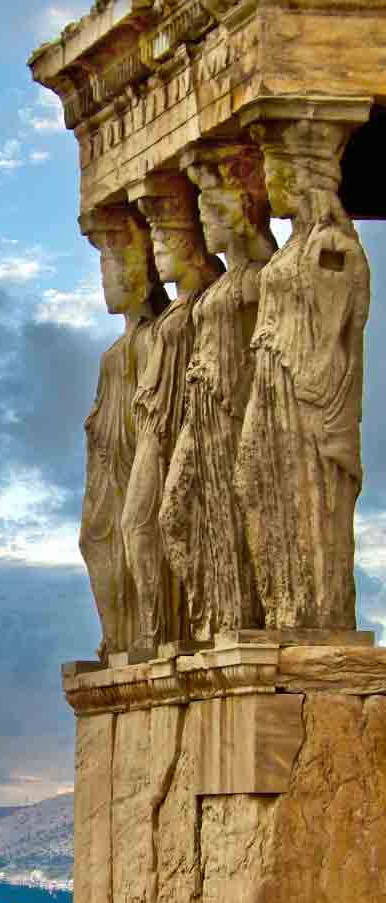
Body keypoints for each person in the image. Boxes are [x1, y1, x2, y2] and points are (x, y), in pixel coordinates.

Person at [235, 117, 370, 628]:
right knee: (254, 482)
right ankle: (281, 606)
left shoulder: (330, 244)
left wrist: (315, 380)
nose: (270, 185)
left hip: (304, 383)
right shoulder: (292, 247)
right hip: (272, 380)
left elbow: (341, 321)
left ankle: (312, 612)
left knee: (305, 494)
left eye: (277, 173)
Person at [158, 143, 274, 638]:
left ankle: (238, 617)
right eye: (202, 210)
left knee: (230, 510)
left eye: (214, 209)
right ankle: (209, 616)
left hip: (233, 406)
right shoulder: (222, 285)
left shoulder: (261, 277)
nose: (206, 221)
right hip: (200, 408)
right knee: (174, 514)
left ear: (243, 210)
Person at [122, 174, 223, 654]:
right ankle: (159, 628)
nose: (158, 254)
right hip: (154, 426)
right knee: (139, 523)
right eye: (155, 243)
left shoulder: (203, 302)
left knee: (162, 519)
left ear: (187, 245)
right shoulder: (169, 314)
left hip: (181, 424)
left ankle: (186, 624)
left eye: (164, 243)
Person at [78, 205, 167, 660]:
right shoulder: (112, 352)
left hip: (141, 447)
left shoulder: (155, 336)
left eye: (112, 271)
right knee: (94, 540)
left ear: (140, 274)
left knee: (139, 530)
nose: (105, 283)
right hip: (108, 460)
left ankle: (152, 629)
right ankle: (119, 636)